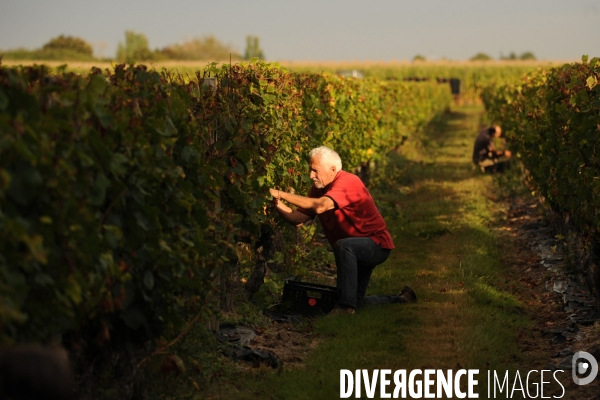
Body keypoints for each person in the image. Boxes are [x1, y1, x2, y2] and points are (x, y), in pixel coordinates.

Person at [269, 146, 416, 315]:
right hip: (354, 249)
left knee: (344, 247)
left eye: (315, 171)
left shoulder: (347, 182)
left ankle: (345, 308)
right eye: (310, 170)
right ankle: (403, 299)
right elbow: (298, 219)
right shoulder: (319, 189)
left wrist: (282, 194)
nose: (311, 176)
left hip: (375, 245)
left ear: (332, 169)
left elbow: (320, 206)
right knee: (357, 303)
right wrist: (277, 203)